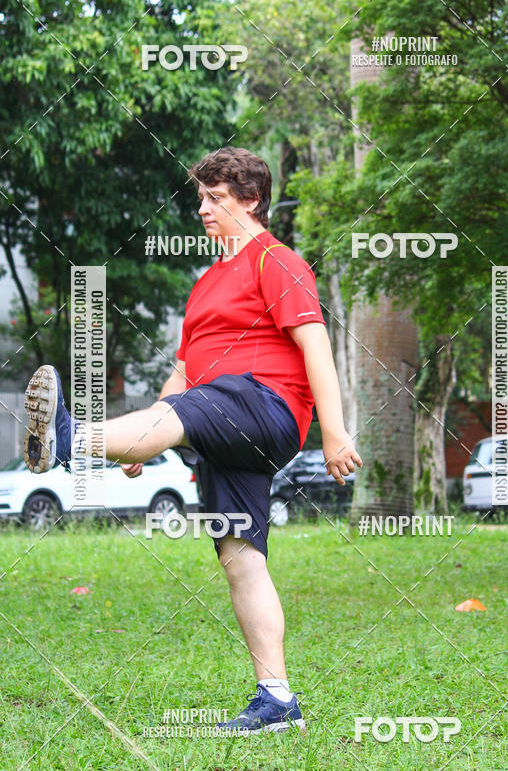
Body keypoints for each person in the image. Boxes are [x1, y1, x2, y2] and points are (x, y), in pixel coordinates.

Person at [24, 146, 362, 734]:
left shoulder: (276, 261)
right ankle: (277, 701)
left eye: (216, 199)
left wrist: (332, 433)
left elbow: (314, 346)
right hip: (217, 423)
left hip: (263, 404)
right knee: (241, 558)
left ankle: (69, 436)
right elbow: (182, 377)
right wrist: (138, 440)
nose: (202, 210)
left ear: (251, 201)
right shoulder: (206, 283)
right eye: (200, 198)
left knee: (208, 397)